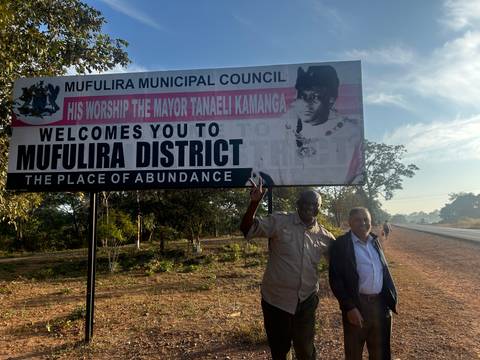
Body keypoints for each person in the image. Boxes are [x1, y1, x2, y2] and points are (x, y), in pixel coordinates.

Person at [240, 178, 334, 360]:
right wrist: (254, 203)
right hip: (276, 301)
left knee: (305, 350)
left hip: (306, 302)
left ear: (319, 208)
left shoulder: (325, 237)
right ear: (297, 205)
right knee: (280, 350)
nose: (309, 207)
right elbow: (247, 229)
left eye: (314, 204)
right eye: (305, 203)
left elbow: (340, 266)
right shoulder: (280, 221)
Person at [328, 207, 397, 360]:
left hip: (380, 306)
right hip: (357, 306)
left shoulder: (374, 242)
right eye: (358, 220)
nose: (363, 223)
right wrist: (349, 307)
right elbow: (336, 279)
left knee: (380, 353)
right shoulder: (342, 244)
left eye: (366, 219)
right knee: (354, 353)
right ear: (350, 223)